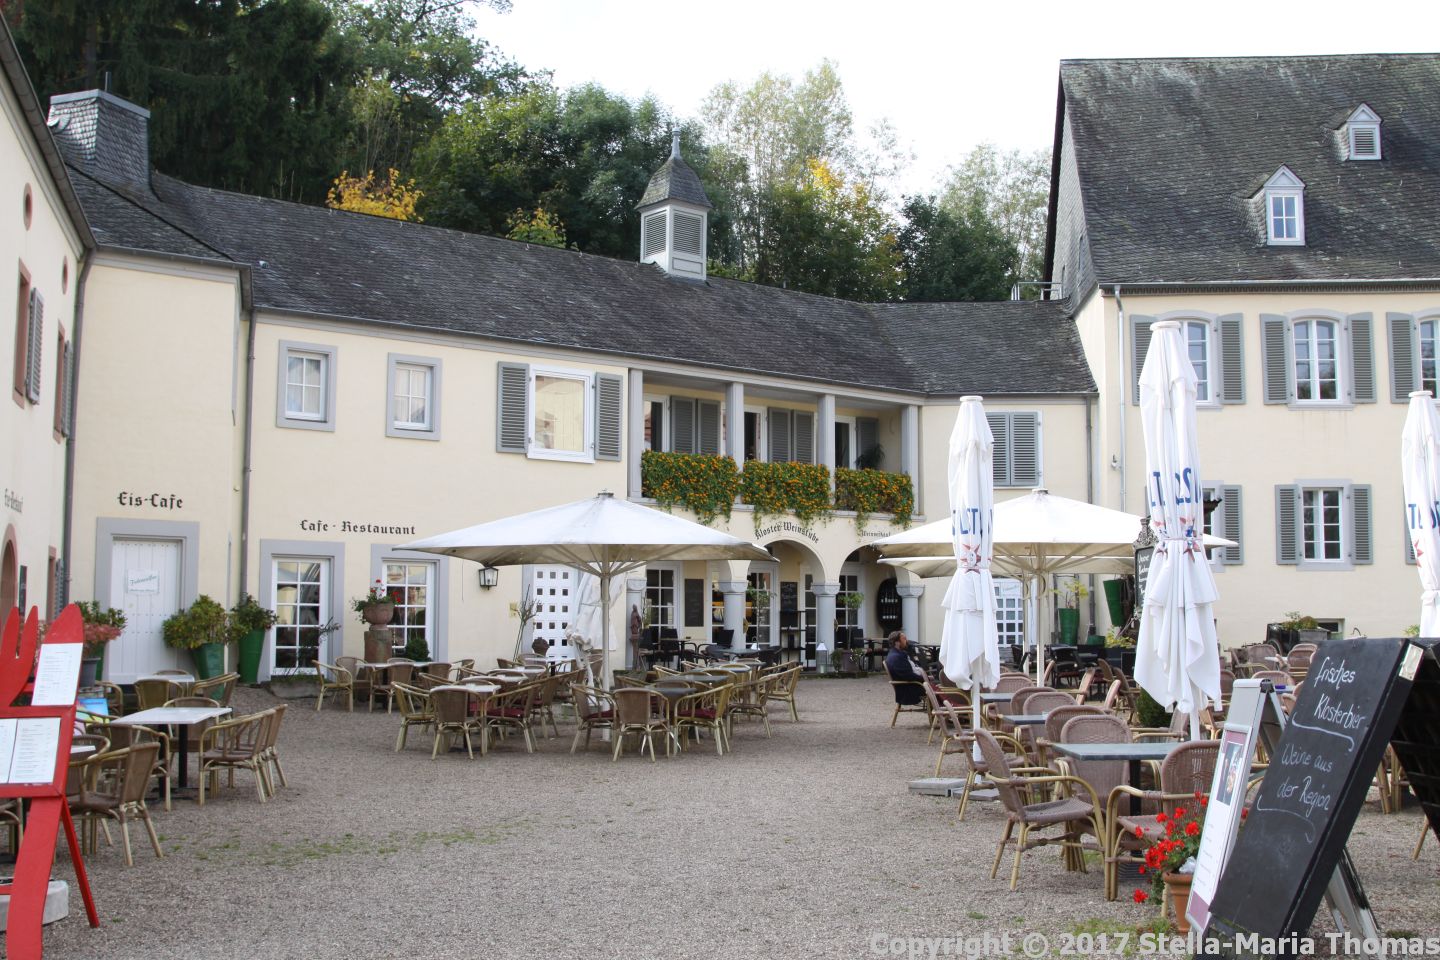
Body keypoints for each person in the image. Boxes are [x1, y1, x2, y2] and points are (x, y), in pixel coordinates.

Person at [884, 631, 927, 705]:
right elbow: (909, 676)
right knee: (936, 690)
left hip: (911, 685)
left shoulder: (896, 654)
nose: (906, 641)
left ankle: (939, 709)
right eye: (904, 639)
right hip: (909, 690)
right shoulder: (896, 657)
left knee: (936, 686)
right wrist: (925, 679)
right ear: (897, 643)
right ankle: (940, 709)